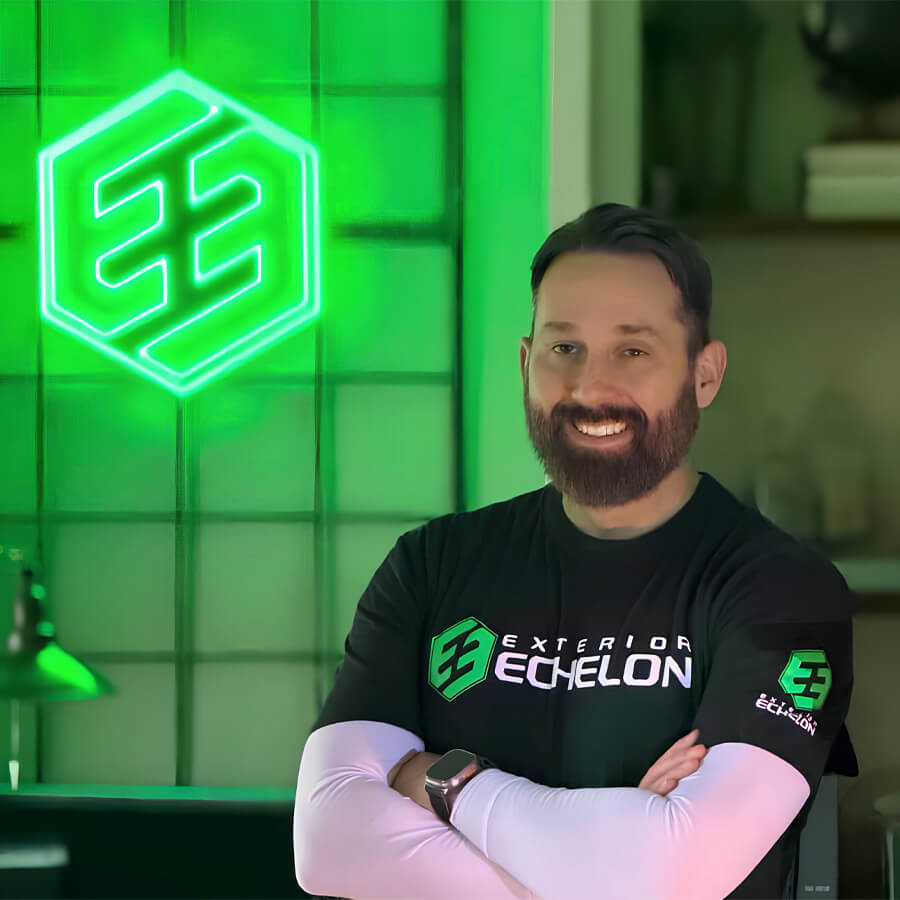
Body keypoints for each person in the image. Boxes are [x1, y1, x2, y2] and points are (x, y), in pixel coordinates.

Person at [293, 202, 858, 899]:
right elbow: (328, 846)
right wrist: (601, 865)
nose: (592, 388)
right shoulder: (433, 564)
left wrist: (440, 780)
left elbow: (674, 872)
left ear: (704, 375)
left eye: (634, 350)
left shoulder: (780, 590)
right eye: (565, 349)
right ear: (526, 362)